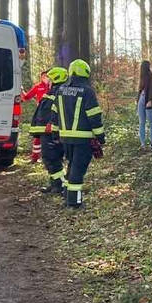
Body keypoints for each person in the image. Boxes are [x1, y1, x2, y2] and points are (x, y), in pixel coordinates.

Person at [53, 59, 106, 208]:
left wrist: (55, 134)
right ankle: (74, 203)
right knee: (78, 170)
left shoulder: (60, 90)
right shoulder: (87, 91)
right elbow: (94, 115)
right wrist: (100, 137)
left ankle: (67, 196)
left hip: (65, 138)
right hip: (83, 139)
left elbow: (54, 114)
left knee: (71, 166)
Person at [31, 67, 68, 194]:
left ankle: (59, 185)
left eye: (50, 79)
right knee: (50, 159)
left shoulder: (58, 93)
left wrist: (51, 126)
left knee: (52, 159)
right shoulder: (54, 92)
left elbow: (55, 113)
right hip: (47, 132)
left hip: (50, 133)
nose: (48, 82)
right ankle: (55, 184)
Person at [22, 69, 53, 162]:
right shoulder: (38, 87)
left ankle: (51, 157)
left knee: (52, 136)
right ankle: (35, 157)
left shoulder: (53, 87)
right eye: (43, 76)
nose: (45, 78)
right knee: (37, 136)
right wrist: (21, 90)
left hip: (52, 113)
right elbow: (26, 97)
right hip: (41, 114)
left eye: (47, 76)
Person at [136, 59, 152, 149]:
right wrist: (138, 101)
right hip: (141, 100)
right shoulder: (142, 77)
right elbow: (140, 90)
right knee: (142, 122)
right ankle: (143, 143)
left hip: (149, 101)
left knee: (151, 122)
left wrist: (150, 100)